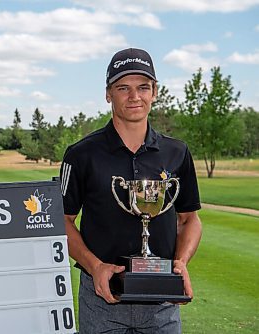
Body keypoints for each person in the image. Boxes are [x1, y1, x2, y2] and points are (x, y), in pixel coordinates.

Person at [60, 48, 202, 333]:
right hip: (102, 298)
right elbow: (62, 223)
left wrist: (181, 263)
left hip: (161, 301)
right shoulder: (81, 154)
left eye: (143, 87)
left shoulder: (177, 152)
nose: (134, 96)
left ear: (155, 92)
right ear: (108, 94)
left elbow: (190, 219)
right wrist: (95, 266)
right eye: (123, 88)